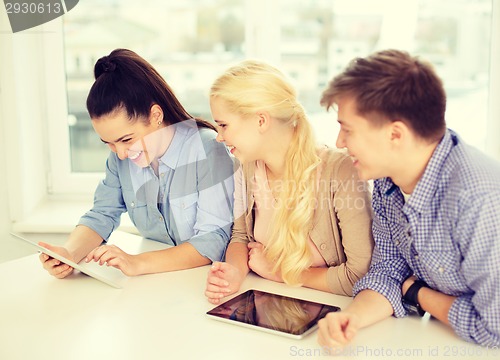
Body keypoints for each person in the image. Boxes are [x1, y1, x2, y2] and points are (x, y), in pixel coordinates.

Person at [317, 49, 500, 348]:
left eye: (347, 130)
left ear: (396, 135)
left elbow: (493, 328)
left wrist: (418, 294)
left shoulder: (479, 200)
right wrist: (353, 318)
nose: (339, 143)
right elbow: (388, 271)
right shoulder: (388, 181)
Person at [39, 48, 235, 278]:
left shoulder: (208, 149)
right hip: (153, 283)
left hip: (202, 282)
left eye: (126, 139)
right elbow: (102, 213)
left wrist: (136, 263)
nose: (120, 153)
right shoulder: (122, 156)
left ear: (156, 115)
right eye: (108, 143)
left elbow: (212, 241)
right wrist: (69, 254)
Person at [204, 60, 374, 304]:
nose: (219, 137)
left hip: (328, 316)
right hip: (270, 305)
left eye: (223, 125)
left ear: (261, 120)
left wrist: (281, 272)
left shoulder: (341, 172)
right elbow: (240, 236)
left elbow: (360, 275)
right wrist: (234, 272)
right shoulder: (246, 164)